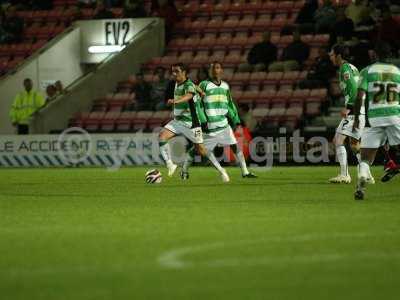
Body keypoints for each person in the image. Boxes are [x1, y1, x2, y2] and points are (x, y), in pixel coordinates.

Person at [181, 62, 257, 180]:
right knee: (197, 149)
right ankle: (184, 169)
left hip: (223, 124)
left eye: (216, 68)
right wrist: (203, 120)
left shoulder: (225, 86)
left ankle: (245, 172)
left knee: (235, 146)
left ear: (221, 70)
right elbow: (197, 104)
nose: (213, 70)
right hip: (210, 126)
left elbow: (229, 104)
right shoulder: (204, 84)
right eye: (211, 68)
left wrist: (235, 118)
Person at [158, 63, 230, 182]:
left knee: (201, 150)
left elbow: (188, 95)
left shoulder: (188, 85)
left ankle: (222, 171)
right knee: (162, 136)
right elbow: (195, 87)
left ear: (184, 72)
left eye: (176, 71)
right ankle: (170, 165)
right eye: (173, 71)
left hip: (191, 124)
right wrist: (201, 91)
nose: (174, 74)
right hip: (177, 121)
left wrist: (175, 101)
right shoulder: (180, 82)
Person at [353, 42, 400, 200]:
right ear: (390, 55)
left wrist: (356, 118)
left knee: (366, 157)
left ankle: (361, 184)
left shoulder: (368, 70)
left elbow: (359, 97)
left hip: (375, 117)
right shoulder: (397, 71)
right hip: (394, 115)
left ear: (375, 55)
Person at [328, 44, 374, 184]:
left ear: (339, 55)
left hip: (354, 110)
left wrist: (348, 108)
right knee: (354, 145)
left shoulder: (344, 68)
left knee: (338, 140)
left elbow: (354, 90)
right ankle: (367, 175)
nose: (330, 56)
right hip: (360, 110)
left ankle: (344, 175)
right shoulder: (353, 67)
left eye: (332, 53)